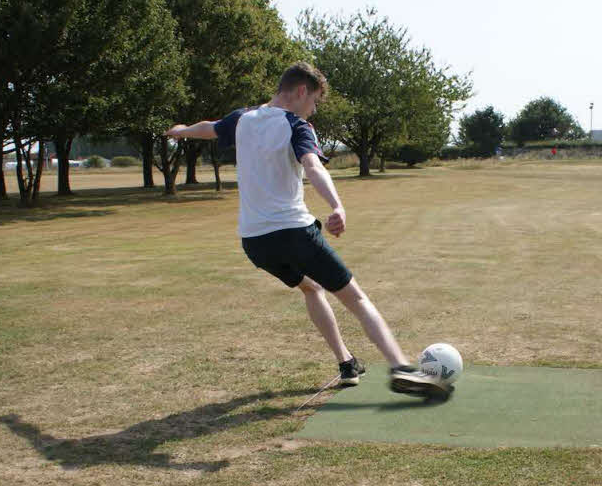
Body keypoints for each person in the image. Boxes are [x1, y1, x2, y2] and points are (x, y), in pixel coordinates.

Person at [165, 62, 444, 397]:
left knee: (311, 289)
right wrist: (337, 206)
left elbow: (209, 127)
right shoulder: (297, 125)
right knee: (356, 298)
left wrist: (180, 131)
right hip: (294, 234)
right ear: (301, 92)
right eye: (314, 101)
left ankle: (346, 362)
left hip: (255, 243)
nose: (314, 109)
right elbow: (312, 165)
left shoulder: (242, 119)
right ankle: (401, 368)